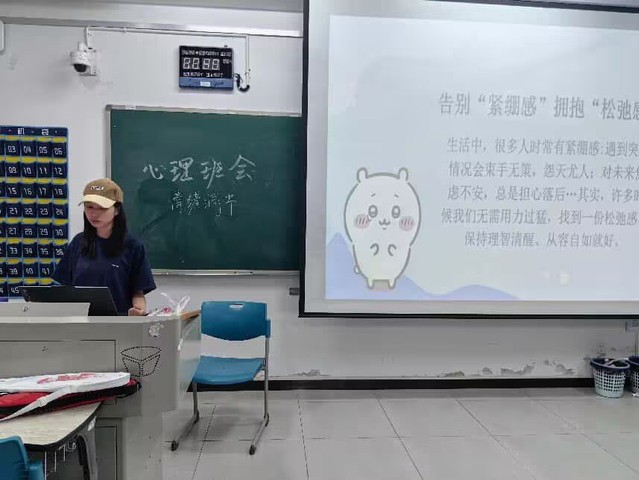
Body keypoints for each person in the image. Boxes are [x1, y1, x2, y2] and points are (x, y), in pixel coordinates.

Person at [53, 178, 156, 315]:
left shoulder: (133, 246)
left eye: (102, 208)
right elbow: (65, 287)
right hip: (81, 322)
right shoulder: (78, 242)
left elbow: (138, 293)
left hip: (118, 323)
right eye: (89, 207)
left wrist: (138, 311)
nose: (94, 214)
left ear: (117, 210)